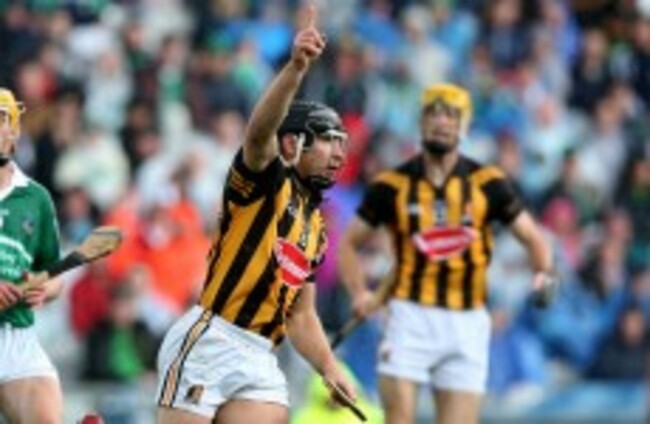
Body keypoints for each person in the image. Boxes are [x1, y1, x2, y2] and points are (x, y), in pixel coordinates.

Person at [156, 6, 356, 424]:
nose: (339, 153)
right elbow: (259, 133)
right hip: (212, 338)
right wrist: (295, 69)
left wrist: (329, 366)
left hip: (262, 355)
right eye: (328, 140)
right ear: (293, 143)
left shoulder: (316, 228)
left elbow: (301, 314)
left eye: (342, 142)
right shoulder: (265, 180)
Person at [338, 83, 555, 424]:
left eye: (452, 115)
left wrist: (543, 274)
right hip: (408, 317)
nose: (441, 121)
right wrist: (359, 292)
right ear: (420, 122)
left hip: (466, 322)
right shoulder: (392, 185)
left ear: (465, 125)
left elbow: (533, 237)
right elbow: (349, 243)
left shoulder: (488, 183)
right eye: (433, 113)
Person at [0, 88, 64, 423]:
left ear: (13, 130)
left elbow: (54, 276)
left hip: (16, 338)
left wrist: (43, 288)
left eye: (0, 119)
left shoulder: (36, 198)